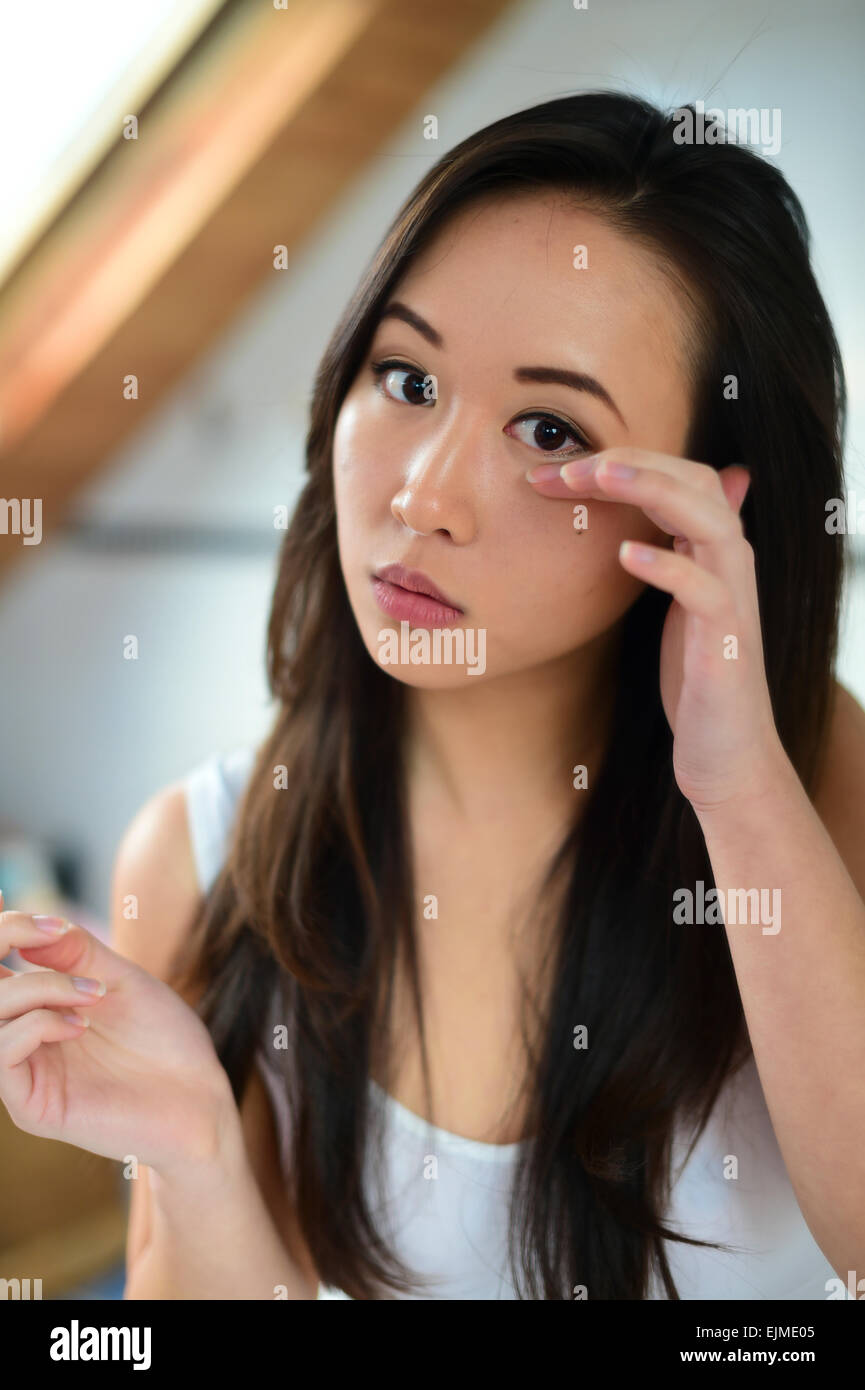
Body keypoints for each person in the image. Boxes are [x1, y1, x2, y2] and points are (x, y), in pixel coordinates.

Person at [2, 91, 864, 1301]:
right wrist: (193, 1148)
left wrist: (734, 789)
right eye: (405, 380)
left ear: (710, 507)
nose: (425, 494)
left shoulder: (812, 776)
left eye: (549, 428)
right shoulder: (200, 861)